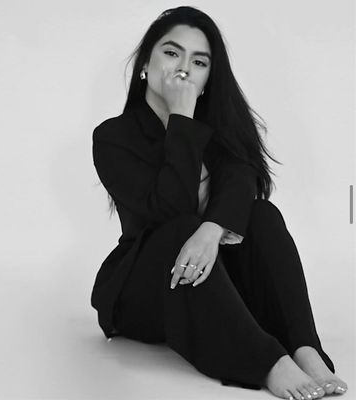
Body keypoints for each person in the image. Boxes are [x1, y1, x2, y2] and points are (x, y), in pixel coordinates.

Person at [90, 6, 348, 400]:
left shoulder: (218, 129)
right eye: (171, 53)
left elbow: (244, 183)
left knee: (262, 214)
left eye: (199, 62)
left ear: (209, 77)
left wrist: (211, 229)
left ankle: (304, 348)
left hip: (207, 284)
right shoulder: (113, 137)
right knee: (181, 228)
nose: (183, 70)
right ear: (144, 64)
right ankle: (268, 363)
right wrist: (181, 117)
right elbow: (170, 211)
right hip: (145, 293)